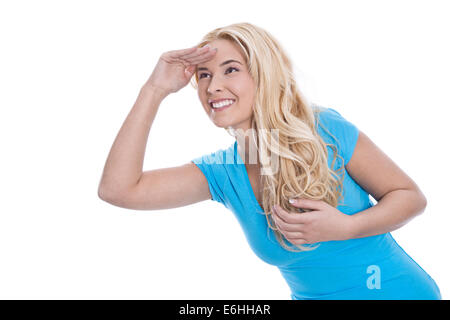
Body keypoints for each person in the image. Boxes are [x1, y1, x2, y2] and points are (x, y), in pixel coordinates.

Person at [98, 22, 441, 300]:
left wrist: (346, 227)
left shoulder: (324, 129)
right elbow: (119, 190)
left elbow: (410, 197)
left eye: (230, 70)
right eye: (203, 75)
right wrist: (154, 89)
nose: (213, 86)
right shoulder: (223, 172)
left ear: (263, 75)